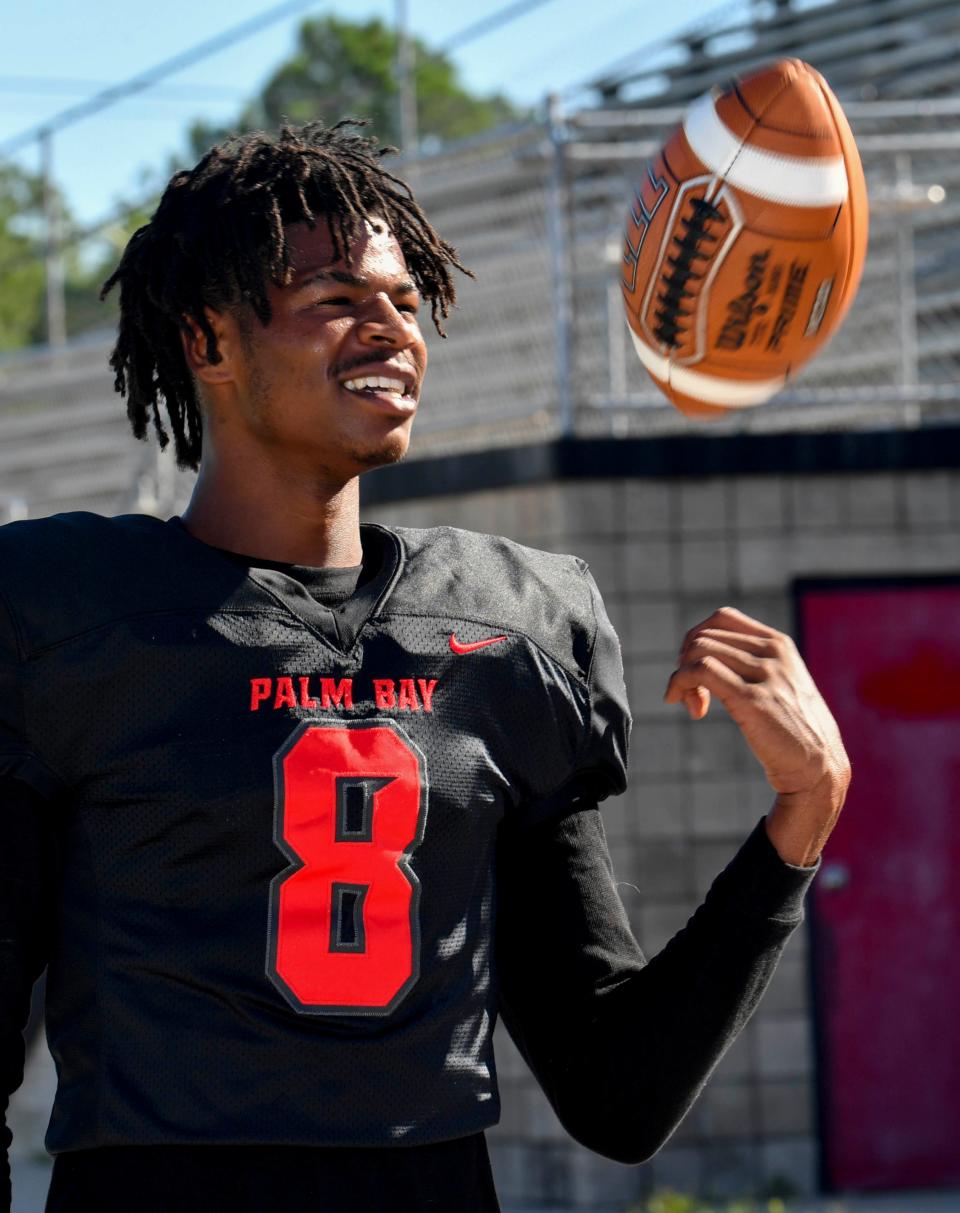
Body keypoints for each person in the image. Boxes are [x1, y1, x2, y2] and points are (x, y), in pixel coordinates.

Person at [0, 121, 850, 1213]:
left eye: (406, 303)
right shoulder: (63, 616)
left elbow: (618, 1092)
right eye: (338, 301)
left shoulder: (509, 635)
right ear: (208, 339)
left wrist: (802, 812)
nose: (391, 332)